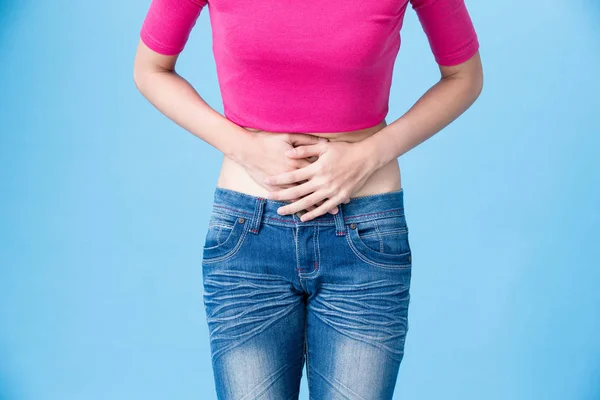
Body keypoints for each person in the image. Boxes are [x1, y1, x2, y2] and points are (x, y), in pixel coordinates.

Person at [133, 0, 483, 397]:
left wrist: (369, 155)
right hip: (248, 238)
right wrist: (243, 147)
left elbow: (464, 77)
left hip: (363, 234)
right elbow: (150, 69)